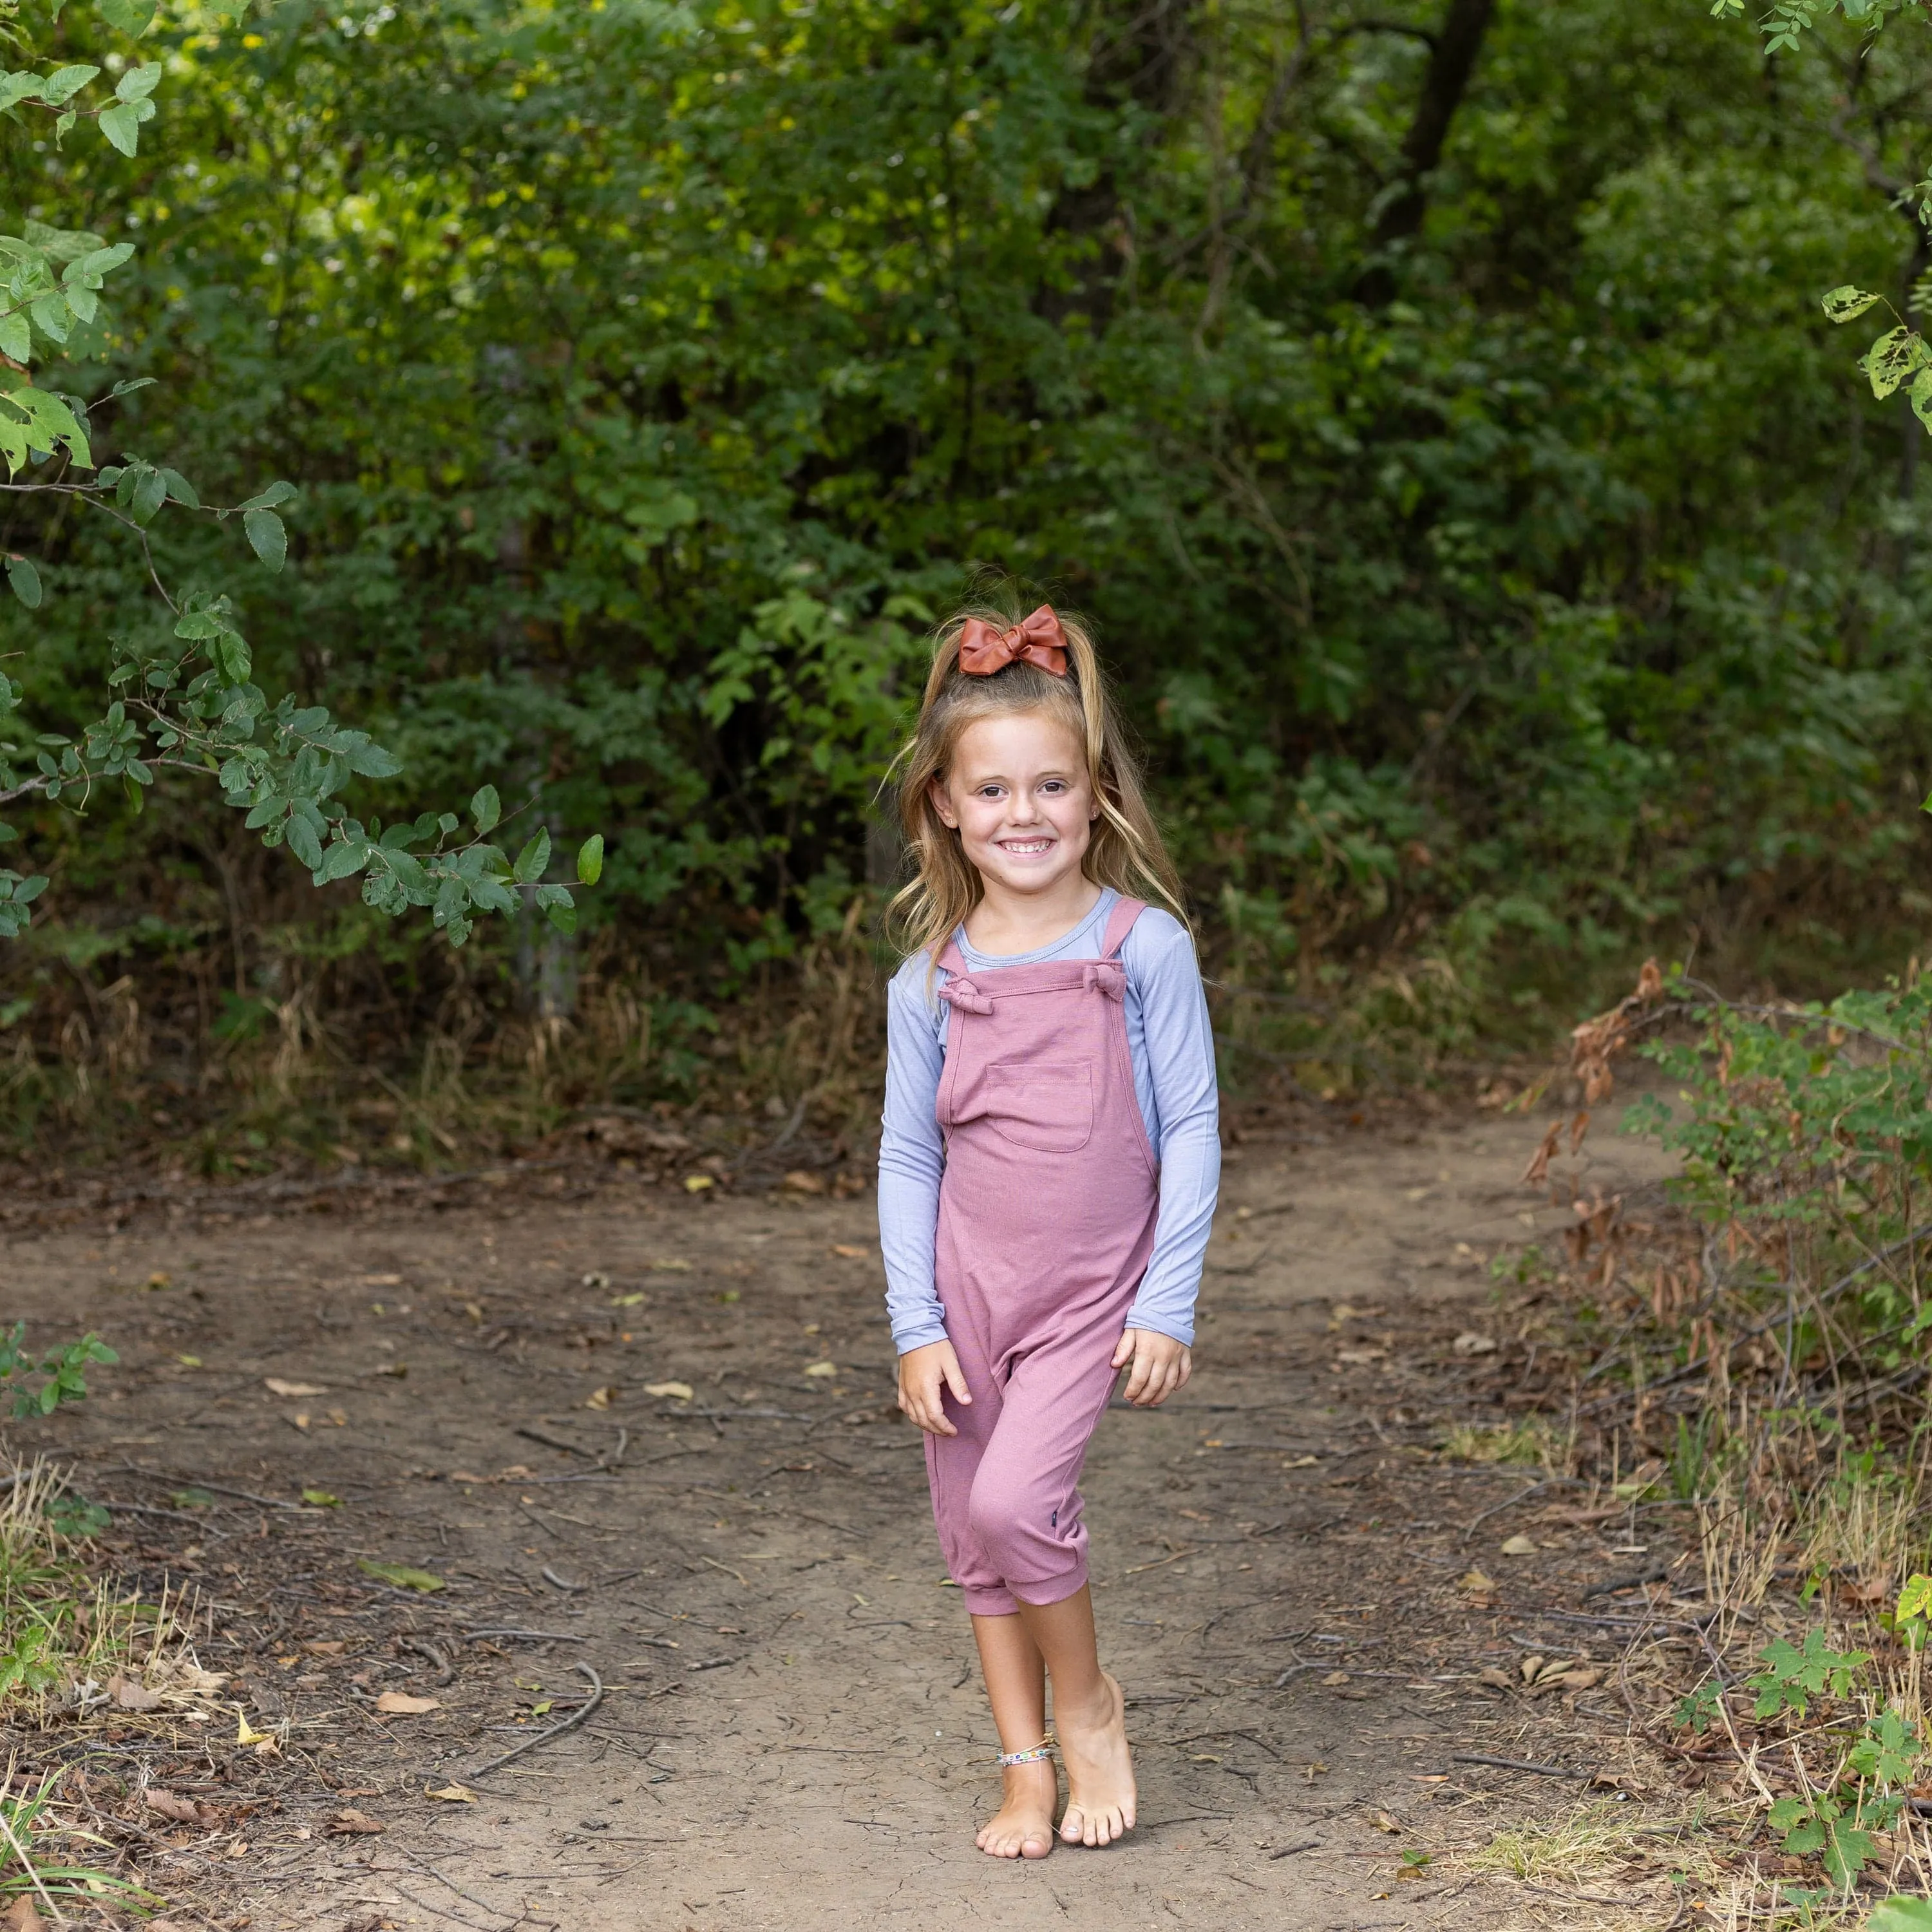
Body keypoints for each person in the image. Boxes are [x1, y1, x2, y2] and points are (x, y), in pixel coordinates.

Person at [876, 598, 1220, 1859]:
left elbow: (1191, 1129)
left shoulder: (1144, 951)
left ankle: (1088, 1708)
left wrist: (1164, 1302)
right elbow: (909, 1155)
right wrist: (916, 1323)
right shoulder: (931, 982)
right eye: (995, 791)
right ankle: (1022, 1772)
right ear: (946, 809)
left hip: (1088, 1294)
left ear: (1096, 794)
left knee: (1022, 1508)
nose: (1025, 814)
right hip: (967, 1293)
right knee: (974, 1540)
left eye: (1053, 786)